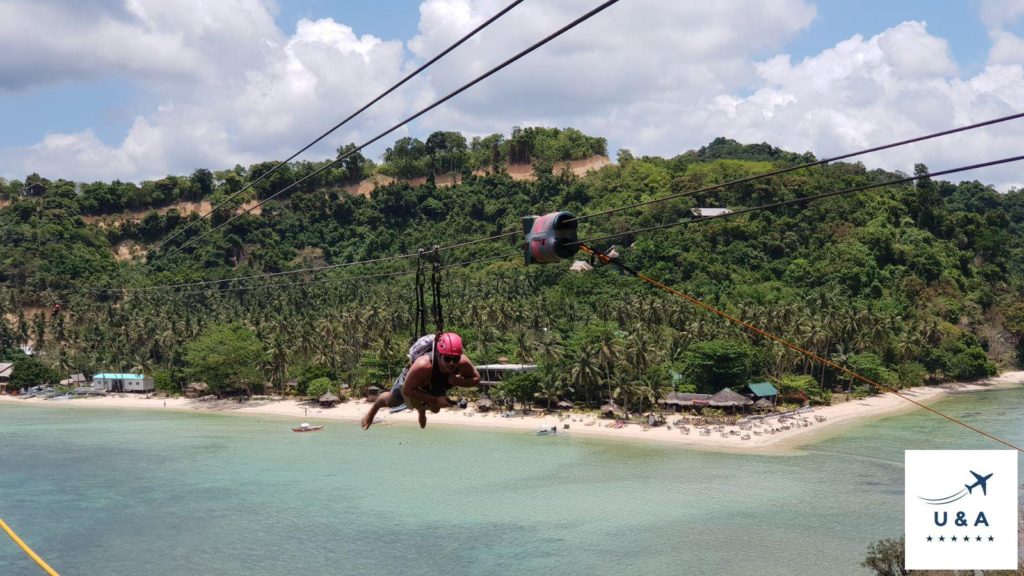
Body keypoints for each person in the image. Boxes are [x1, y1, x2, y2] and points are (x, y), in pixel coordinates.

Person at [362, 332, 480, 430]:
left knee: (435, 409)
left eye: (455, 359)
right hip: (414, 382)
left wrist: (458, 381)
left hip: (436, 383)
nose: (452, 363)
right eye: (447, 359)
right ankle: (373, 410)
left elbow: (476, 378)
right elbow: (408, 390)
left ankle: (421, 409)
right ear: (439, 354)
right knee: (391, 401)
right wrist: (435, 399)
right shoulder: (424, 365)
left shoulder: (462, 362)